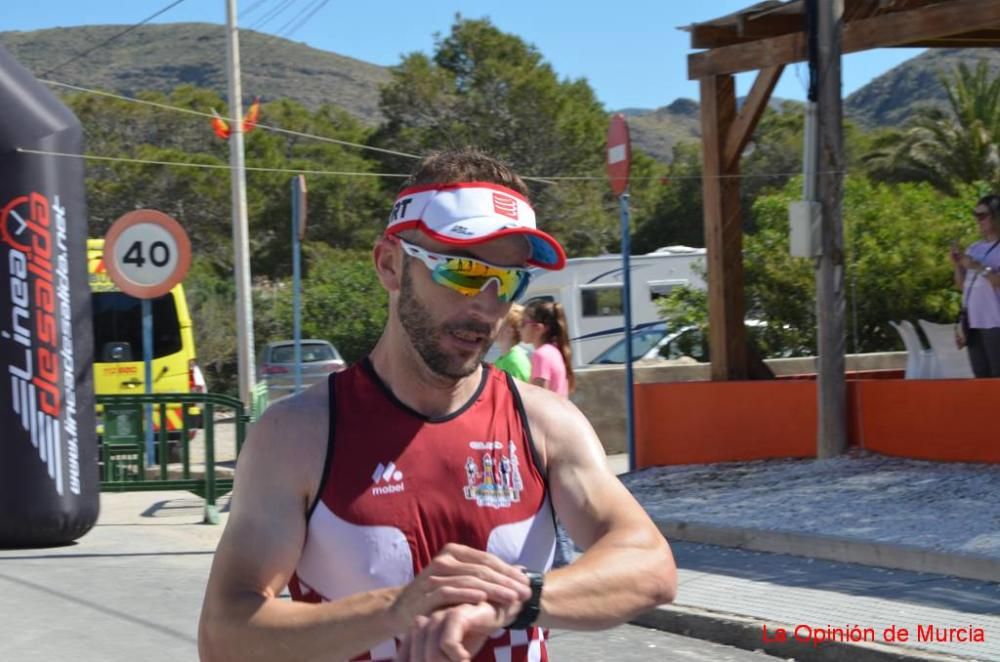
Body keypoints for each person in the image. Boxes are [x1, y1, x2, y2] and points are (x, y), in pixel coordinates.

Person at [198, 148, 676, 662]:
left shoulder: (545, 423)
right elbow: (225, 636)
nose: (487, 306)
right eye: (464, 272)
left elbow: (649, 565)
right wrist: (397, 611)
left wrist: (514, 599)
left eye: (509, 280)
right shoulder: (298, 435)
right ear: (390, 265)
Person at [950, 194, 1000, 378]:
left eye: (982, 215)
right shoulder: (974, 248)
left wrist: (977, 267)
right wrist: (957, 264)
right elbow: (962, 285)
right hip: (973, 323)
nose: (978, 220)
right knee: (981, 377)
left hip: (995, 323)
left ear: (996, 215)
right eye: (975, 215)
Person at [520, 301, 574, 397]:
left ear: (539, 328)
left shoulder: (541, 355)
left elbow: (539, 399)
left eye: (523, 323)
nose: (519, 327)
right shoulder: (554, 351)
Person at [493, 303, 532, 382]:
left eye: (499, 322)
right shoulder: (503, 359)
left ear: (509, 330)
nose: (494, 325)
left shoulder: (515, 362)